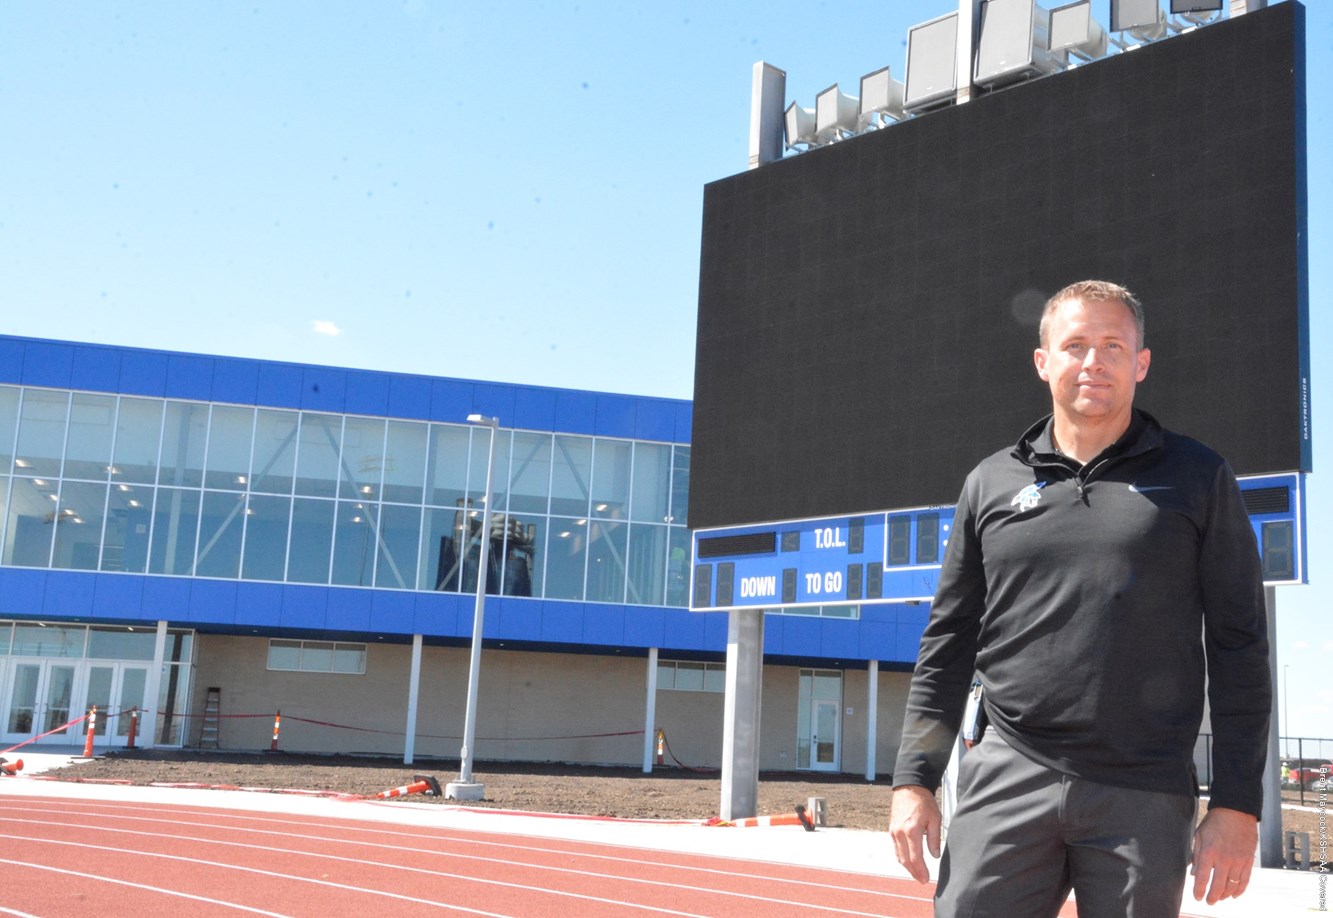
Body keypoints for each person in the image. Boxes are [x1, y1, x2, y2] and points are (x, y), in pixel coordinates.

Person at [889, 280, 1272, 916]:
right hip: (1008, 770)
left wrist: (1237, 803)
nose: (1093, 361)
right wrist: (914, 778)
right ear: (1043, 361)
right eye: (1075, 345)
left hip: (1143, 789)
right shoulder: (991, 482)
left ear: (1141, 363)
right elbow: (948, 641)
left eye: (1113, 345)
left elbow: (1239, 646)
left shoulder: (1198, 475)